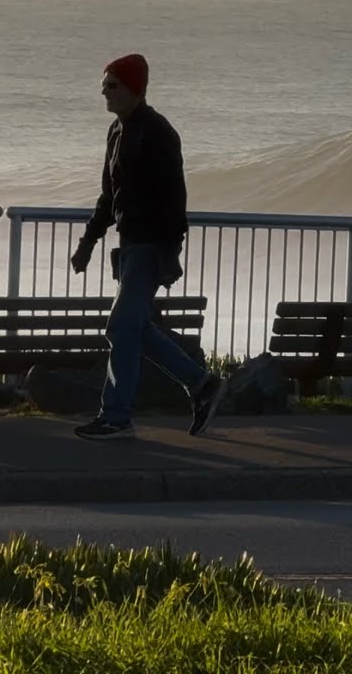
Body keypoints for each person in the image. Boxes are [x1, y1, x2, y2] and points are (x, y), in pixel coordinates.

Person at [70, 53, 226, 440]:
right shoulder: (116, 132)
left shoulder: (157, 132)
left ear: (134, 89)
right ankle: (202, 384)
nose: (104, 92)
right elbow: (109, 197)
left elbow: (175, 196)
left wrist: (171, 249)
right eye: (103, 85)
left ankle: (117, 417)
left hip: (151, 245)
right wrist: (88, 242)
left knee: (120, 326)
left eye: (112, 85)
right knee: (135, 328)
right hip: (130, 244)